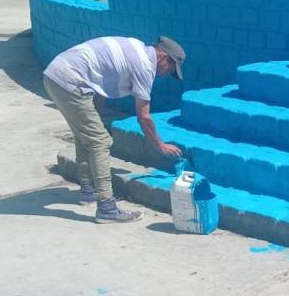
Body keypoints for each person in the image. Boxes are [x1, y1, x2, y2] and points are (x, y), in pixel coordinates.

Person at [43, 36, 186, 224]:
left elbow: (101, 82)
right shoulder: (144, 66)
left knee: (87, 134)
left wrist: (95, 116)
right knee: (101, 141)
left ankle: (88, 191)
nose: (167, 74)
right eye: (171, 69)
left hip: (57, 74)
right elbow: (143, 117)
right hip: (69, 80)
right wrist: (160, 145)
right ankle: (106, 208)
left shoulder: (136, 48)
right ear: (164, 58)